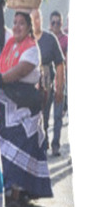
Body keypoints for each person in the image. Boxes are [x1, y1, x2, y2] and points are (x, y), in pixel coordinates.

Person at [0, 9, 53, 207]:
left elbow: (21, 70)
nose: (17, 26)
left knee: (19, 140)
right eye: (15, 22)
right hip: (8, 99)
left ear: (29, 27)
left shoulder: (31, 48)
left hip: (26, 105)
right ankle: (6, 187)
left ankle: (18, 192)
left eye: (22, 23)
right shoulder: (11, 43)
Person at [35, 9, 66, 156]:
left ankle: (51, 145)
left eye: (37, 18)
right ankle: (41, 144)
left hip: (47, 86)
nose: (35, 22)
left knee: (48, 118)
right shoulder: (26, 38)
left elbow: (60, 64)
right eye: (32, 19)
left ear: (41, 20)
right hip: (31, 86)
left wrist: (60, 88)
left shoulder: (50, 39)